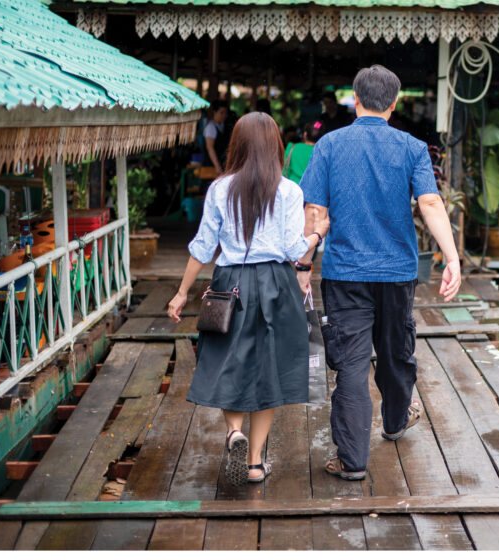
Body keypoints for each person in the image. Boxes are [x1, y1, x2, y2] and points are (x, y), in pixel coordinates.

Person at [298, 65, 461, 481]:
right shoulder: (411, 147)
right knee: (394, 352)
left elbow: (314, 211)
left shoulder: (329, 145)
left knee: (350, 365)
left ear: (355, 99)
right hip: (397, 272)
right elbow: (429, 204)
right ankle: (394, 420)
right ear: (394, 103)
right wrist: (452, 257)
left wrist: (303, 262)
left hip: (345, 273)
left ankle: (352, 461)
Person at [167, 112, 329, 486]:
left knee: (229, 360)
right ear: (276, 146)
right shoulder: (290, 191)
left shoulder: (220, 189)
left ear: (236, 145)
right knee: (269, 368)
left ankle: (233, 431)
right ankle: (255, 464)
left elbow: (203, 248)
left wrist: (180, 293)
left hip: (230, 283)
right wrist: (317, 233)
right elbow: (293, 250)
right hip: (275, 283)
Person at [202, 100, 228, 176]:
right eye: (221, 113)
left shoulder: (221, 126)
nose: (224, 115)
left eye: (225, 113)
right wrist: (217, 167)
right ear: (215, 112)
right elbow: (210, 147)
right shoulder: (211, 127)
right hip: (211, 168)